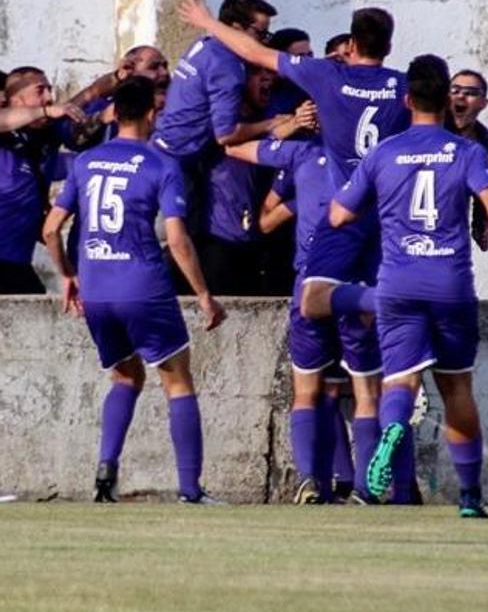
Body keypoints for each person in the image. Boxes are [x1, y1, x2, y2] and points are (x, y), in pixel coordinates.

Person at [331, 55, 488, 518]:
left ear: (406, 101)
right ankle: (469, 497)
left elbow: (339, 214)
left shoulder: (384, 153)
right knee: (457, 389)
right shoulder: (467, 152)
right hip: (450, 283)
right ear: (445, 100)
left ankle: (394, 427)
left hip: (397, 284)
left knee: (399, 379)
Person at [41, 76, 227, 503]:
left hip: (98, 289)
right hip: (142, 285)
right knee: (177, 381)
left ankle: (105, 474)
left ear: (114, 113)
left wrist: (68, 275)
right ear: (151, 113)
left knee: (124, 377)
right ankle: (190, 490)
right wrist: (203, 294)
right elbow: (177, 241)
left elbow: (52, 228)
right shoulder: (161, 165)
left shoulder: (87, 161)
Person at [175, 0, 408, 323]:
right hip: (382, 215)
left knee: (315, 304)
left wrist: (208, 22)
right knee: (368, 326)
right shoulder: (403, 86)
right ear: (389, 46)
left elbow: (255, 54)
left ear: (352, 44)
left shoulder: (326, 76)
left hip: (338, 217)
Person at [226, 134, 385, 504]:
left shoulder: (301, 152)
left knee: (311, 392)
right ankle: (361, 488)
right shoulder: (378, 161)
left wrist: (285, 126)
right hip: (356, 290)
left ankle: (311, 481)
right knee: (365, 393)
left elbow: (232, 143)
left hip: (309, 288)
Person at [153, 0, 287, 236]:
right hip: (179, 162)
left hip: (159, 148)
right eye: (260, 34)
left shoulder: (204, 44)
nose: (263, 43)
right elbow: (225, 135)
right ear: (236, 28)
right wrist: (270, 124)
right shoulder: (228, 67)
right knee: (178, 241)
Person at [0, 67, 86, 293]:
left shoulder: (41, 147)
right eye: (40, 91)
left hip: (16, 263)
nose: (49, 97)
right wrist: (46, 111)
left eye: (49, 90)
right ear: (15, 101)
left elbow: (77, 162)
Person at [445, 69, 488, 250]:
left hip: (451, 241)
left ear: (483, 103)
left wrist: (482, 225)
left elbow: (484, 194)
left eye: (470, 93)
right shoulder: (430, 133)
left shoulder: (487, 147)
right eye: (455, 90)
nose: (461, 96)